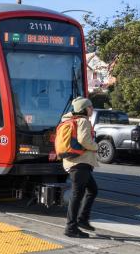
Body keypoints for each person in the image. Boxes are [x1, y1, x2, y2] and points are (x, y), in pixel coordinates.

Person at [61, 97, 99, 238]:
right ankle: (71, 227)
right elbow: (84, 140)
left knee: (92, 190)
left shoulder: (69, 120)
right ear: (83, 109)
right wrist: (96, 146)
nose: (92, 109)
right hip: (80, 164)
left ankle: (82, 220)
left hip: (75, 163)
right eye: (90, 107)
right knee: (77, 195)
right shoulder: (82, 121)